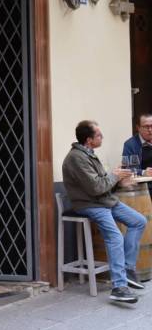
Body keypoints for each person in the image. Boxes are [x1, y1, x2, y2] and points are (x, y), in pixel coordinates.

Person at [62, 120, 147, 304]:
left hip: (104, 201)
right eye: (99, 135)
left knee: (138, 221)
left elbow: (103, 186)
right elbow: (96, 187)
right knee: (115, 237)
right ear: (89, 139)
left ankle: (127, 268)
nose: (102, 137)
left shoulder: (89, 155)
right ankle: (119, 287)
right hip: (90, 204)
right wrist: (115, 175)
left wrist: (119, 182)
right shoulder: (76, 158)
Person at [122, 113, 152, 178]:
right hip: (143, 184)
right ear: (138, 128)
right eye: (146, 127)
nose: (150, 130)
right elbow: (126, 169)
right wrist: (143, 172)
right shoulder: (130, 145)